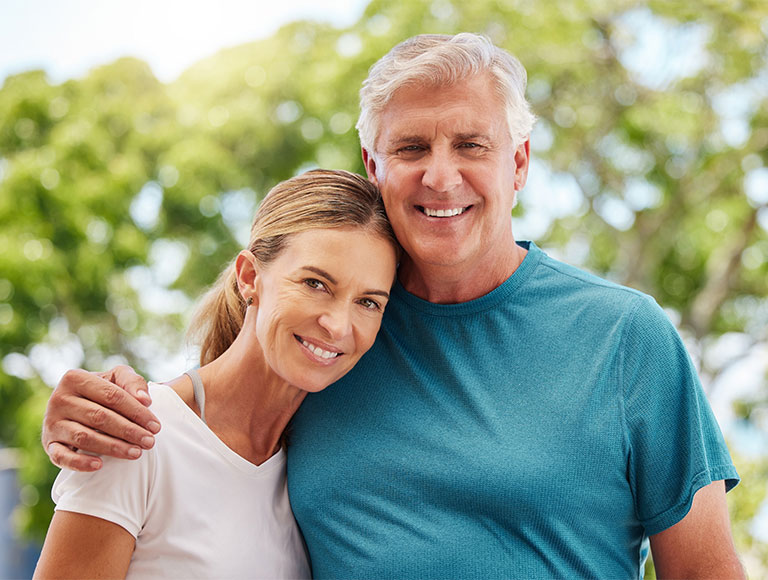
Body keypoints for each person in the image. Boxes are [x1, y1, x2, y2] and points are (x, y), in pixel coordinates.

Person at [40, 34, 744, 578]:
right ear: (374, 167)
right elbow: (209, 432)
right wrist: (84, 414)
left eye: (472, 144)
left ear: (520, 163)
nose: (442, 175)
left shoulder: (625, 336)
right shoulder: (338, 341)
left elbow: (709, 570)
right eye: (411, 147)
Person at [33, 169, 399, 579]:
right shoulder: (136, 434)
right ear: (249, 277)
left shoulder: (314, 466)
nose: (338, 325)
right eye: (315, 283)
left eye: (368, 302)